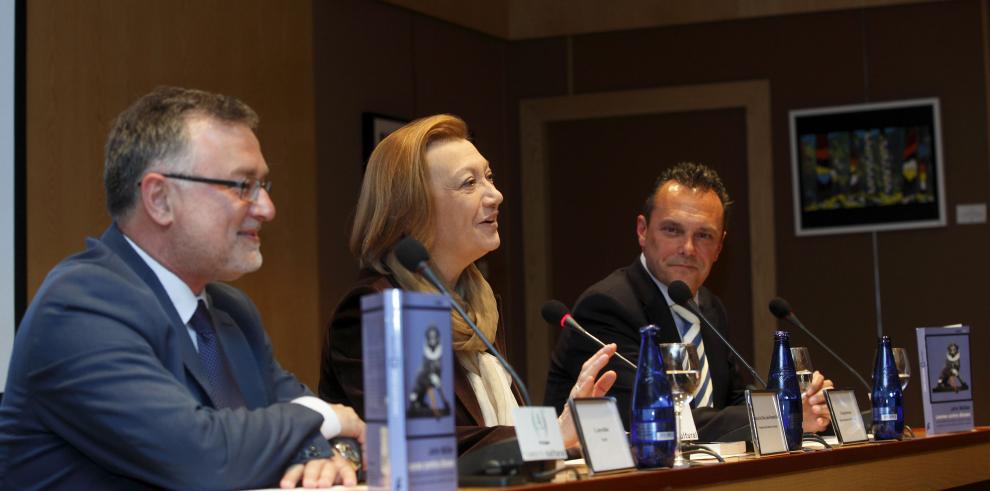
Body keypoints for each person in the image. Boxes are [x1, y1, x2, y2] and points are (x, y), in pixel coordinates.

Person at [0, 86, 365, 490]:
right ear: (159, 199)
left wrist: (334, 454)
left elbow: (316, 428)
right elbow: (202, 458)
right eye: (243, 186)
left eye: (264, 185)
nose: (266, 208)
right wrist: (325, 417)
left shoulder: (231, 311)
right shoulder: (80, 306)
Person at [319, 114, 617, 455]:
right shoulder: (379, 307)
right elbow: (421, 445)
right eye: (469, 183)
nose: (497, 195)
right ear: (413, 209)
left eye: (489, 177)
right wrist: (550, 435)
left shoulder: (477, 304)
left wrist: (566, 430)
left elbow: (489, 436)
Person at [544, 162, 833, 440]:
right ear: (642, 231)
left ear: (720, 246)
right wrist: (781, 413)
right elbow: (654, 415)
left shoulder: (708, 307)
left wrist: (798, 399)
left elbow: (729, 400)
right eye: (672, 230)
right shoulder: (607, 307)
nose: (688, 249)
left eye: (704, 235)